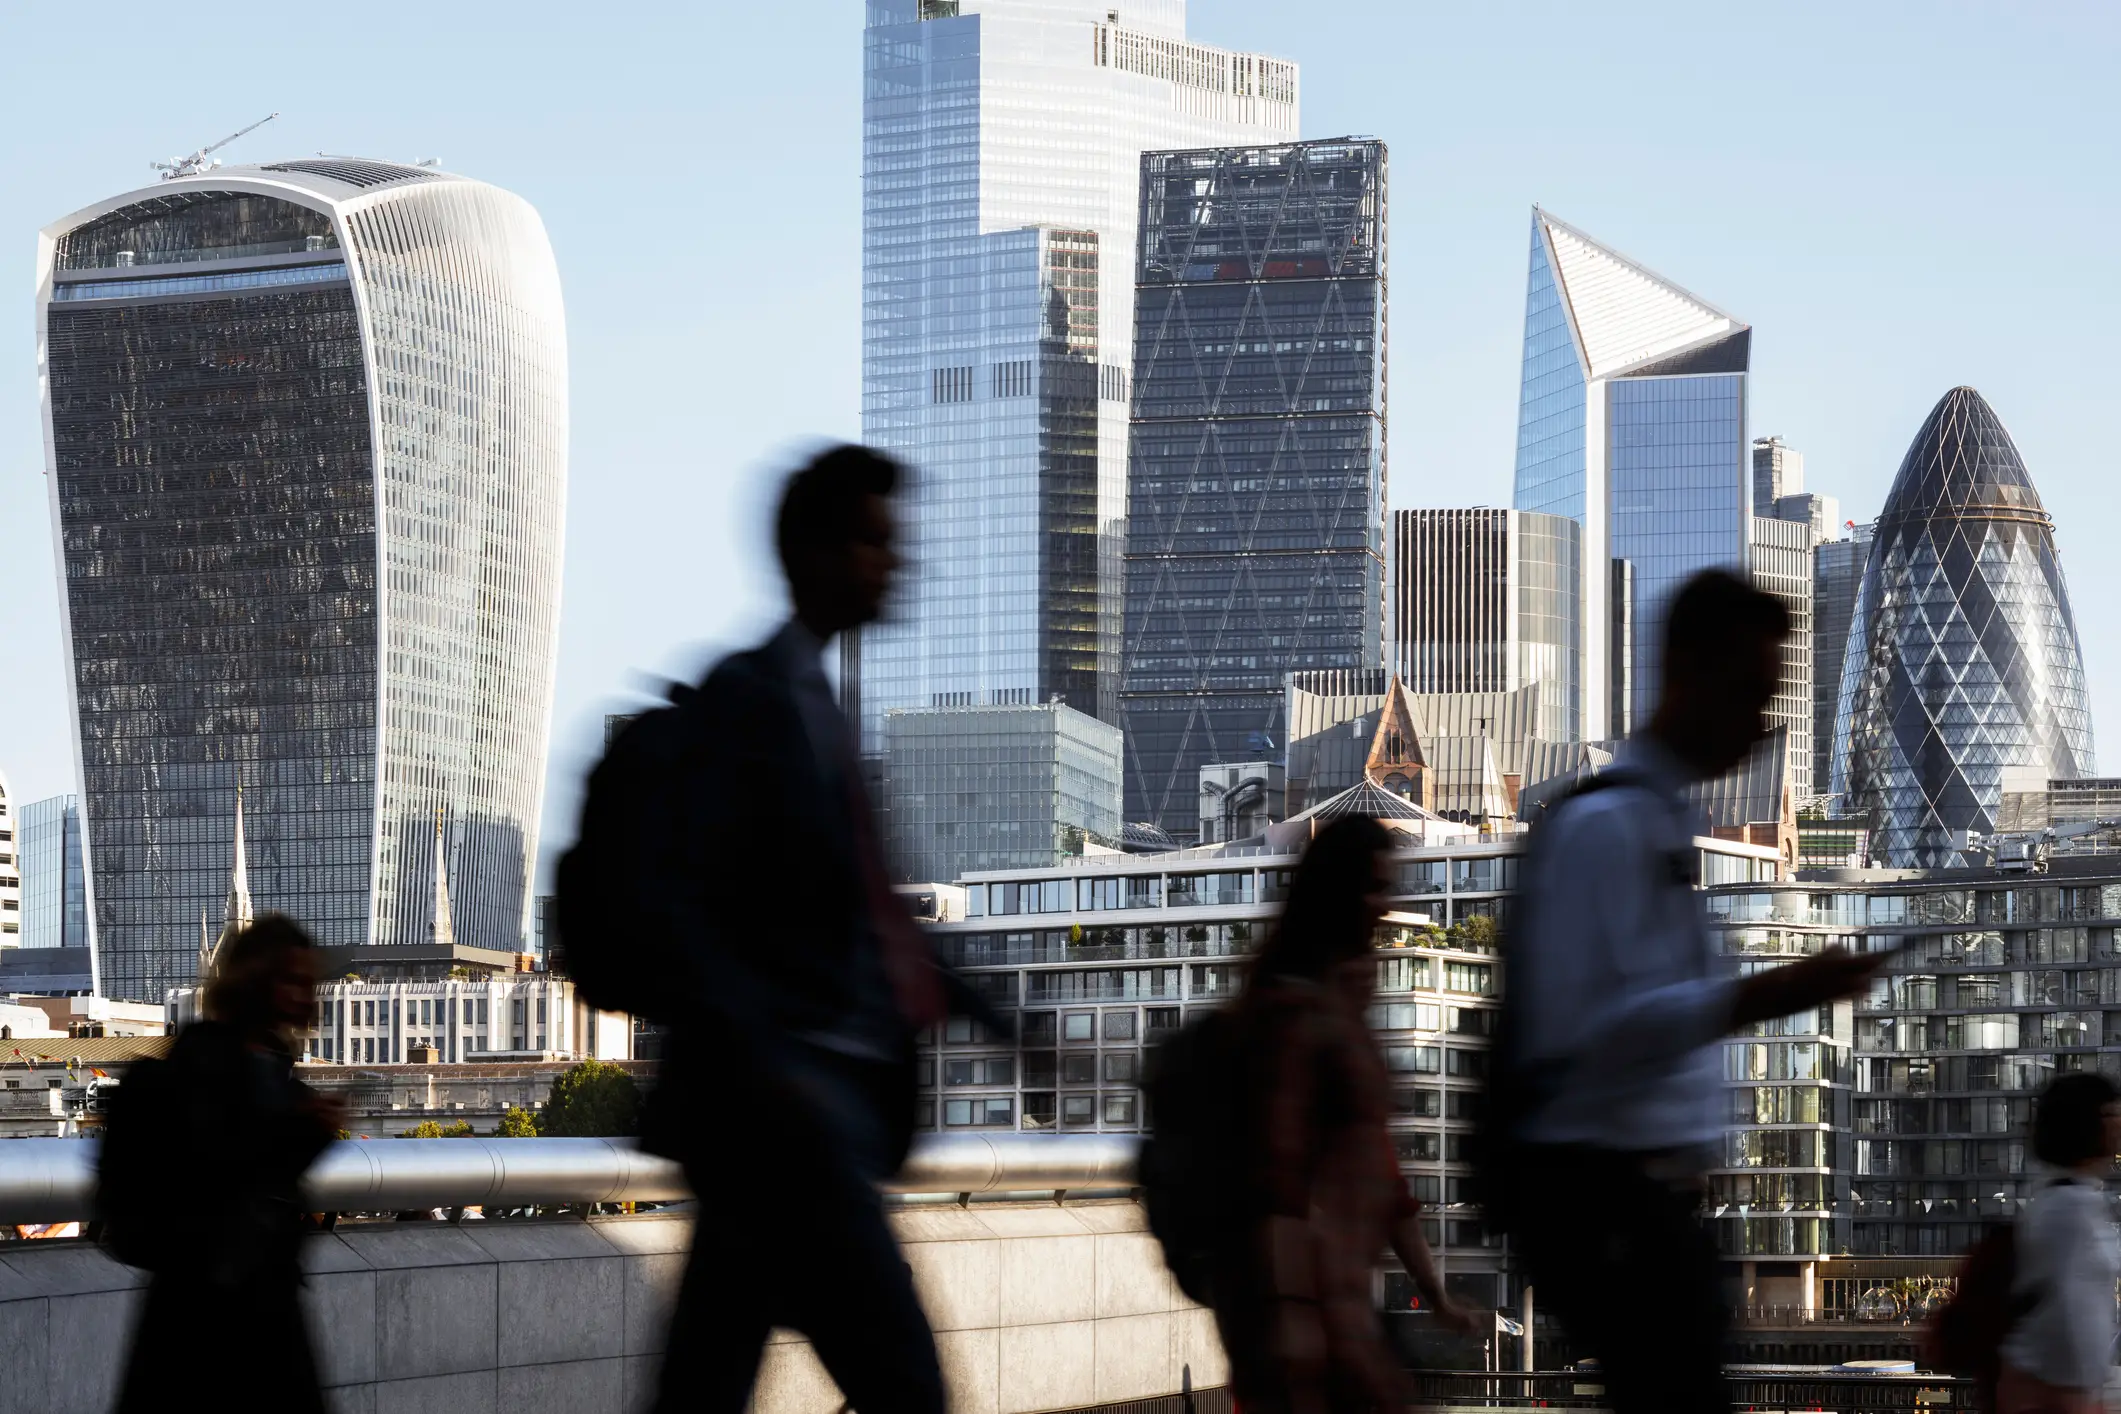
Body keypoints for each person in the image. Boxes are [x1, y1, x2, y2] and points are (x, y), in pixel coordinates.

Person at [646, 444, 990, 1414]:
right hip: (791, 1124)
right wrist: (775, 1061)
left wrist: (990, 1007)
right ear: (816, 552)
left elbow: (867, 915)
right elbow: (692, 904)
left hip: (791, 1124)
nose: (900, 562)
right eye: (879, 542)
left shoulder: (814, 708)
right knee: (908, 1390)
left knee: (700, 1389)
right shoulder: (750, 702)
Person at [1497, 569, 1889, 1413]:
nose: (1759, 725)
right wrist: (1775, 994)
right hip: (1606, 1211)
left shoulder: (1662, 824)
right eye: (1750, 693)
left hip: (1650, 1210)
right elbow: (1592, 1030)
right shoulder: (1607, 828)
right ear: (1687, 673)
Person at [1210, 815, 1480, 1414]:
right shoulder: (1295, 1015)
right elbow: (1277, 1182)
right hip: (1314, 1317)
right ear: (1335, 895)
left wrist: (1436, 1297)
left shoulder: (1328, 1007)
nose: (1384, 907)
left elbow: (1384, 1183)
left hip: (1335, 1312)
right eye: (1373, 888)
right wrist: (1297, 1322)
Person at [111, 915, 341, 1414]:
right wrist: (298, 1135)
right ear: (257, 983)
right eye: (294, 982)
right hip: (207, 1324)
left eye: (310, 984)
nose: (308, 999)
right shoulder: (202, 1072)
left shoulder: (276, 1078)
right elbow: (219, 1173)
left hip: (253, 1317)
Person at [1995, 1072, 2121, 1414]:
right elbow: (2068, 1316)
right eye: (2109, 1115)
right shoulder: (2069, 1208)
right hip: (2054, 1398)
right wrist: (2079, 1399)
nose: (2118, 1125)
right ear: (2085, 1126)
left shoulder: (2069, 1199)